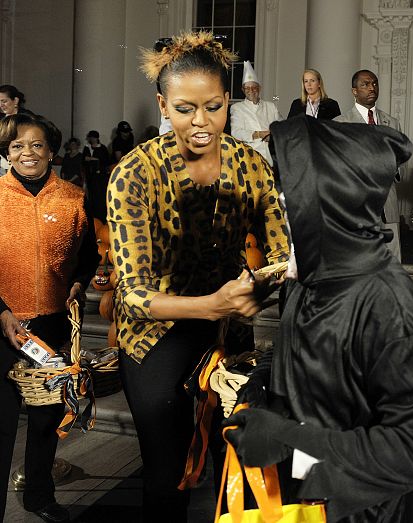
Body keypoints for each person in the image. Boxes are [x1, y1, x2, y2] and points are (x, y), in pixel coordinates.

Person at [225, 116, 413, 523]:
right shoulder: (308, 280)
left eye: (290, 198)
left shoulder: (388, 307)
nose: (278, 209)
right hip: (304, 498)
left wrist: (290, 441)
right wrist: (263, 389)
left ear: (330, 206)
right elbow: (304, 363)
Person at [108, 31, 290, 521]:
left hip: (228, 335)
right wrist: (215, 303)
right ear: (163, 106)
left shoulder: (252, 165)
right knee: (167, 479)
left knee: (240, 468)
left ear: (228, 101)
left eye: (212, 106)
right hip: (154, 341)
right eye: (185, 109)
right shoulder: (134, 174)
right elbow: (134, 297)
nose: (201, 122)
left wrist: (260, 284)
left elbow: (281, 254)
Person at [0, 113, 99, 523]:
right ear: (6, 153)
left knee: (46, 418)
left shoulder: (73, 198)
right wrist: (1, 311)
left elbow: (89, 256)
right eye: (17, 146)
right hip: (2, 325)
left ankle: (40, 496)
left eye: (36, 145)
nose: (27, 153)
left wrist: (79, 282)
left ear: (52, 152)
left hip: (51, 326)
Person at [335, 70, 406, 262]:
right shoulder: (341, 124)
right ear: (354, 91)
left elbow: (400, 160)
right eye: (365, 84)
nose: (372, 88)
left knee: (392, 262)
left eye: (374, 83)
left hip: (387, 204)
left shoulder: (392, 123)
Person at [229, 61, 283, 165]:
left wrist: (273, 135)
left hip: (272, 157)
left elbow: (281, 126)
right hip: (250, 156)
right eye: (247, 88)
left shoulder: (270, 106)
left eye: (254, 87)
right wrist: (258, 134)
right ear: (243, 90)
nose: (251, 90)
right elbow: (236, 132)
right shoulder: (237, 108)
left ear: (259, 88)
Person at [82, 130, 110, 222]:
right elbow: (83, 160)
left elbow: (105, 161)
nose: (92, 139)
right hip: (90, 175)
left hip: (100, 176)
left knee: (100, 196)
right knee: (91, 195)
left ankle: (100, 216)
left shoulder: (102, 148)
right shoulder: (87, 148)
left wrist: (94, 160)